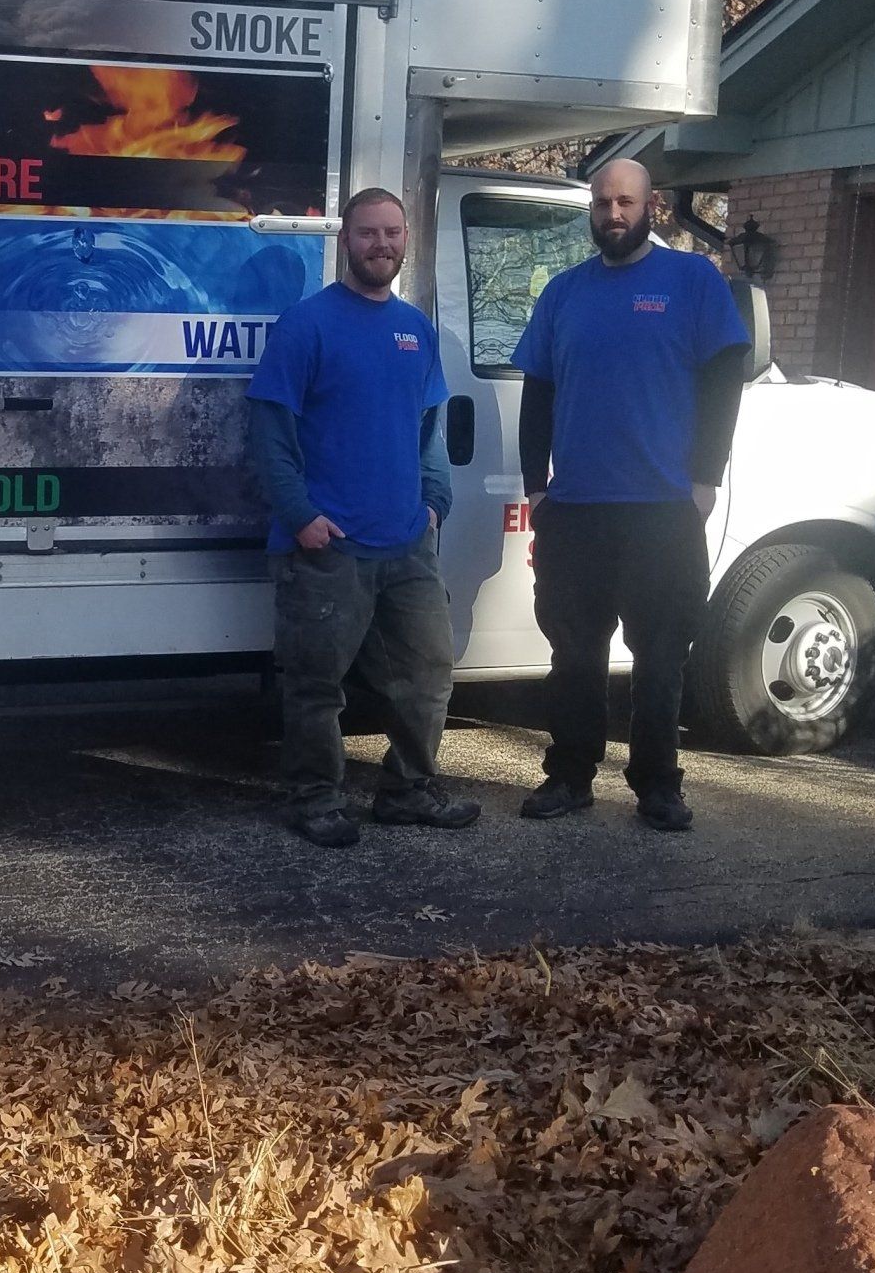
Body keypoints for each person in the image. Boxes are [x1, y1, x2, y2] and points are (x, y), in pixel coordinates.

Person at [514, 156, 750, 833]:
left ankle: (657, 785)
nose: (612, 214)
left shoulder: (692, 281)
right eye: (601, 203)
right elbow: (539, 394)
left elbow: (723, 380)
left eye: (625, 202)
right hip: (578, 511)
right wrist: (539, 490)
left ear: (652, 208)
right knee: (576, 655)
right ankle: (568, 776)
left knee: (660, 657)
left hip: (662, 510)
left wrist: (704, 480)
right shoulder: (563, 293)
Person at [246, 186, 480, 847]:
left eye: (393, 233)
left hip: (406, 545)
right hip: (328, 546)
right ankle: (314, 798)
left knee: (429, 671)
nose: (382, 244)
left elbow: (428, 429)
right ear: (345, 241)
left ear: (406, 240)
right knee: (317, 685)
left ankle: (407, 792)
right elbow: (270, 429)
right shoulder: (308, 324)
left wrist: (435, 503)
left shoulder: (415, 329)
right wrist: (301, 516)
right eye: (369, 233)